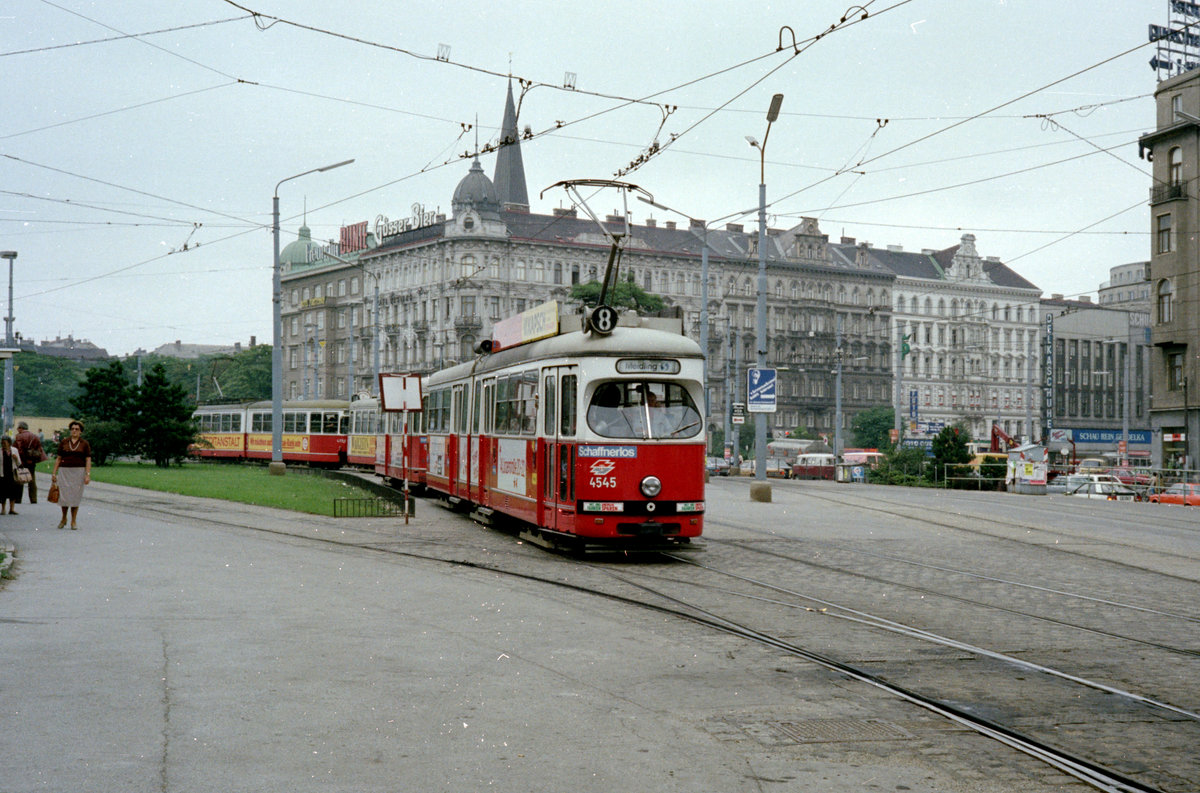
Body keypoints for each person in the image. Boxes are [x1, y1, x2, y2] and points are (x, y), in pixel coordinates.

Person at [51, 420, 91, 530]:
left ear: (80, 432)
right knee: (64, 496)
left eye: (77, 429)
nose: (74, 431)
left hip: (79, 472)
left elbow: (88, 459)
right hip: (64, 471)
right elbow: (58, 458)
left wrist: (87, 474)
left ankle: (73, 520)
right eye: (72, 429)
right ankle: (64, 518)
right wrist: (54, 473)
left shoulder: (84, 444)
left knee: (75, 496)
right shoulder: (64, 442)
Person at [14, 421, 46, 504]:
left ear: (21, 428)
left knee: (20, 479)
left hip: (22, 461)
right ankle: (33, 499)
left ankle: (18, 499)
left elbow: (18, 450)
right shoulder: (35, 436)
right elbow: (39, 449)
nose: (17, 429)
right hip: (32, 461)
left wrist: (18, 460)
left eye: (18, 428)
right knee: (32, 480)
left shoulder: (19, 436)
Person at [0, 436, 21, 515]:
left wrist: (15, 459)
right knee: (2, 493)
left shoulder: (14, 450)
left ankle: (12, 509)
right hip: (2, 474)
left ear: (9, 443)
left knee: (13, 492)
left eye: (5, 443)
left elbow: (19, 464)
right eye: (2, 443)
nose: (3, 445)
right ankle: (3, 509)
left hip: (12, 474)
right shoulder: (0, 451)